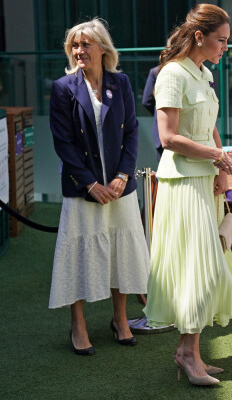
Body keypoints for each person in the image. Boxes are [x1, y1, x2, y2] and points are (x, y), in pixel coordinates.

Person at [142, 4, 232, 386]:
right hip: (182, 183)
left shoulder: (204, 73)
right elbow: (168, 138)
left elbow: (210, 128)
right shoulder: (172, 73)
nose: (225, 48)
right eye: (222, 40)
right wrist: (218, 156)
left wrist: (221, 169)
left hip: (204, 181)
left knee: (208, 268)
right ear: (200, 36)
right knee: (194, 270)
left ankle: (190, 352)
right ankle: (188, 354)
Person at [48, 18, 150, 355]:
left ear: (103, 48)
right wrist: (91, 184)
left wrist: (122, 177)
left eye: (85, 44)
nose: (79, 51)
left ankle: (120, 319)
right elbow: (63, 142)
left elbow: (131, 132)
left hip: (120, 189)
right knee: (78, 254)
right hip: (82, 190)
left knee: (121, 252)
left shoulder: (120, 83)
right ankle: (78, 325)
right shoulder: (63, 88)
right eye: (74, 45)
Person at [142, 65, 163, 161]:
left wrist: (161, 115)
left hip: (161, 136)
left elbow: (147, 101)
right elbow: (146, 101)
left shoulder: (156, 71)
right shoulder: (155, 71)